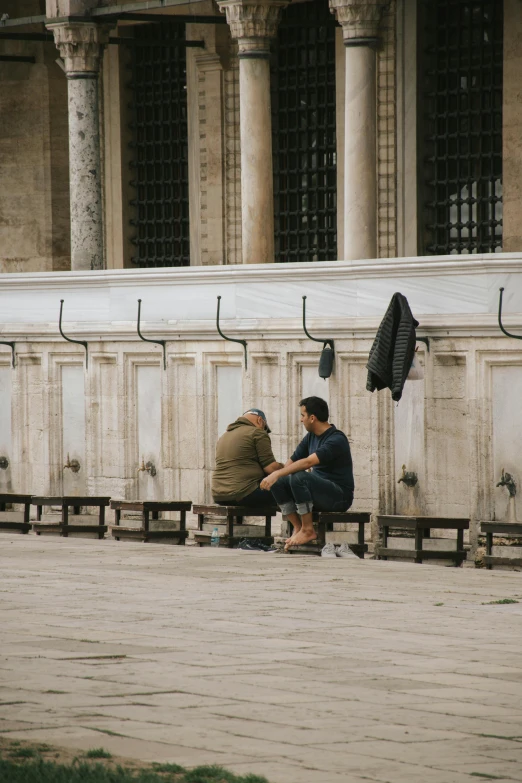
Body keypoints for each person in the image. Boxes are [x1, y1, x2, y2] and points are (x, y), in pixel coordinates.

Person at [260, 396, 354, 548]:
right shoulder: (310, 437)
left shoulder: (336, 439)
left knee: (299, 477)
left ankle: (308, 530)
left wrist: (276, 473)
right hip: (317, 493)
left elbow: (308, 462)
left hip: (339, 497)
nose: (300, 420)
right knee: (279, 481)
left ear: (312, 418)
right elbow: (292, 461)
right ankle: (298, 527)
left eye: (302, 415)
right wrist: (275, 477)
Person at [212, 409, 283, 506]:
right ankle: (302, 522)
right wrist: (286, 467)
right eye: (265, 428)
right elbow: (271, 469)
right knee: (289, 491)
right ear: (260, 420)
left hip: (218, 494)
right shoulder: (257, 433)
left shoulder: (224, 436)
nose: (264, 430)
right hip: (243, 493)